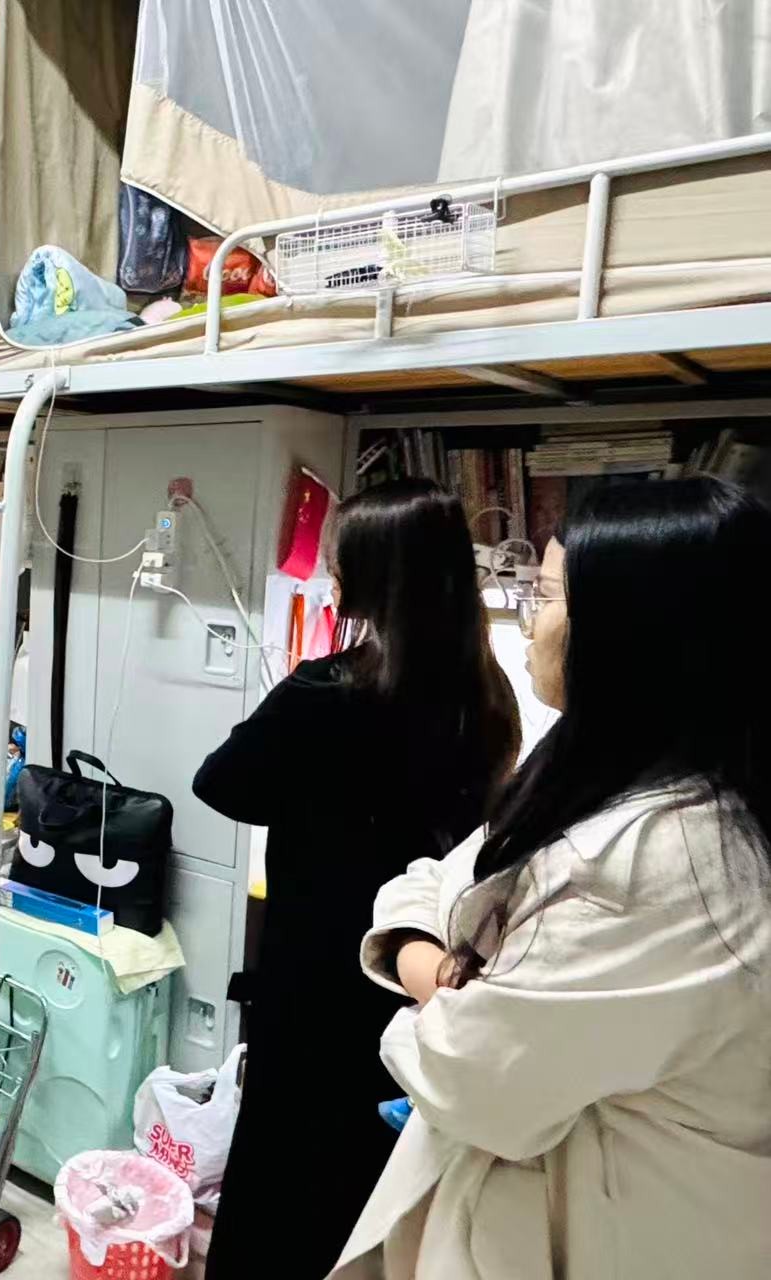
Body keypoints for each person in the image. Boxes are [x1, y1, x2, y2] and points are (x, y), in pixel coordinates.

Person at [334, 477, 771, 1279]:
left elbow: (471, 1070)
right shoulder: (583, 761)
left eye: (544, 594)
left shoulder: (667, 861)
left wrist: (422, 965)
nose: (530, 621)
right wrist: (450, 969)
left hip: (599, 1235)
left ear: (630, 628)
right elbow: (438, 875)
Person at [192, 478, 518, 1280]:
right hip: (414, 976)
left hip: (313, 969)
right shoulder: (486, 697)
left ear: (372, 579)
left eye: (343, 562)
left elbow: (219, 783)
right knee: (372, 1178)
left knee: (280, 1170)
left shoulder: (323, 691)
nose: (331, 575)